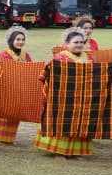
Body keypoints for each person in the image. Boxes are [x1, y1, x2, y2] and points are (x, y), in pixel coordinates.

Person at [34, 28, 95, 158]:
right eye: (75, 42)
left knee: (79, 123)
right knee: (64, 122)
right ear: (67, 44)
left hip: (83, 98)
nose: (79, 44)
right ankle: (59, 152)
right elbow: (46, 74)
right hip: (63, 98)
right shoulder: (60, 57)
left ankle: (74, 152)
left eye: (81, 42)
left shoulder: (89, 57)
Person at [0, 26, 32, 145]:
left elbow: (31, 69)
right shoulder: (3, 55)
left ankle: (9, 138)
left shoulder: (25, 54)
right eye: (18, 39)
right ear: (11, 41)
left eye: (22, 39)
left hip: (19, 89)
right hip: (6, 89)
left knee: (15, 113)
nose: (20, 42)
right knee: (5, 113)